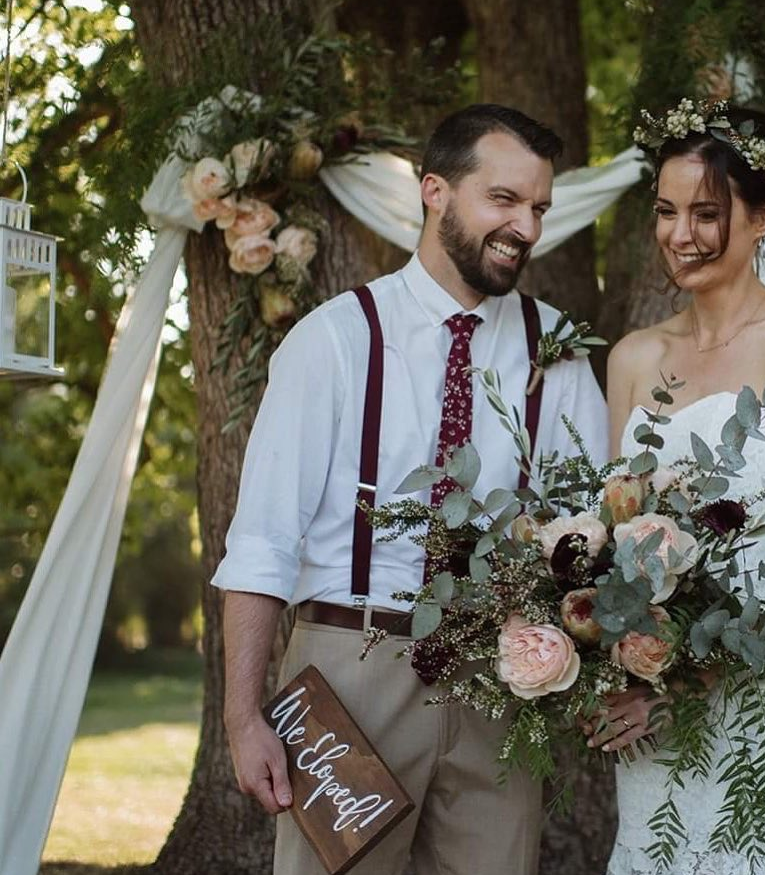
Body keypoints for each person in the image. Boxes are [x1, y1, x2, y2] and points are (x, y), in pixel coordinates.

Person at [213, 103, 607, 875]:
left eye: (538, 207)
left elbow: (591, 531)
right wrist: (241, 716)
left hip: (500, 680)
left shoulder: (554, 352)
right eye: (503, 199)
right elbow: (261, 541)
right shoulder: (333, 339)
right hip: (349, 671)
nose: (524, 226)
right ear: (434, 190)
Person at [595, 100, 765, 874]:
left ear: (764, 217)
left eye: (705, 212)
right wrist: (608, 651)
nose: (678, 235)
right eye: (664, 211)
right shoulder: (632, 358)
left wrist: (690, 677)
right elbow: (614, 531)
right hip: (652, 709)